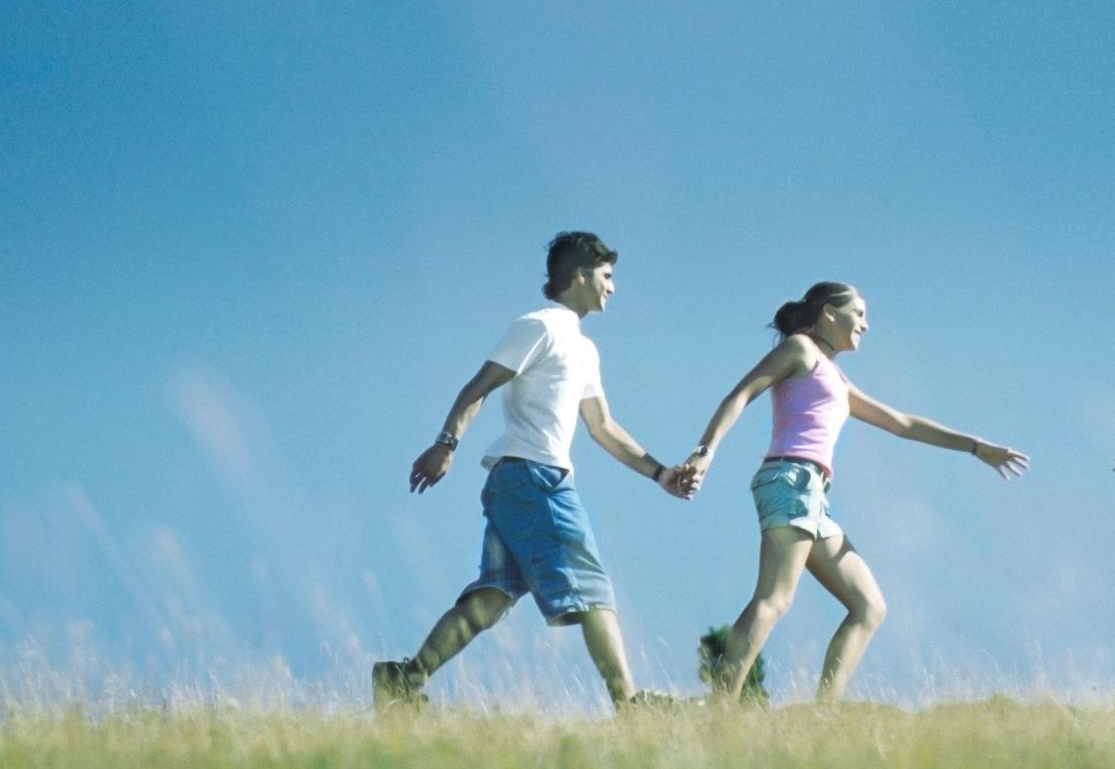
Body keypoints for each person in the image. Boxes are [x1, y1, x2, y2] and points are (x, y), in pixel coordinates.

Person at [373, 231, 693, 710]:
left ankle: (404, 679)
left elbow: (602, 426)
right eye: (607, 276)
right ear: (580, 275)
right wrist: (446, 443)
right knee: (592, 585)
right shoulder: (538, 326)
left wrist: (659, 473)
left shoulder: (584, 349)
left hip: (517, 483)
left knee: (493, 596)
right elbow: (479, 385)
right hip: (536, 477)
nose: (614, 287)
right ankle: (630, 704)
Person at [679, 283, 1028, 702]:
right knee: (773, 599)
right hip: (791, 480)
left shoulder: (836, 378)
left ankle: (826, 711)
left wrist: (974, 446)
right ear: (829, 312)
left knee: (868, 607)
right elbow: (741, 393)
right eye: (858, 313)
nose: (866, 323)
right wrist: (704, 451)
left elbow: (901, 422)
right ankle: (720, 707)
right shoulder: (800, 350)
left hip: (812, 496)